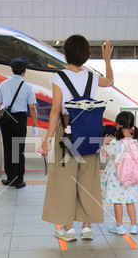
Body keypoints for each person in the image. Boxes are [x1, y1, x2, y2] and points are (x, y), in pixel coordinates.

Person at [39, 35, 113, 241]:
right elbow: (110, 81)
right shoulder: (91, 77)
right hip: (90, 130)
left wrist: (48, 138)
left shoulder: (59, 77)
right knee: (88, 179)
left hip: (67, 129)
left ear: (66, 54)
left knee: (65, 179)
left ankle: (68, 229)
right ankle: (87, 228)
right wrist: (107, 58)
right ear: (87, 56)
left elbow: (55, 110)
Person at [0, 56, 38, 189]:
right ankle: (19, 180)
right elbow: (32, 108)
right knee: (18, 150)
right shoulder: (28, 86)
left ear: (12, 69)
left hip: (6, 119)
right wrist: (35, 125)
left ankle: (10, 178)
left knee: (7, 149)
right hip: (19, 119)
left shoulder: (3, 84)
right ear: (24, 71)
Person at [101, 111, 138, 235]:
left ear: (117, 125)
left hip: (116, 176)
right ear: (132, 126)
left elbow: (105, 154)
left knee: (117, 201)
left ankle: (119, 226)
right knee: (130, 200)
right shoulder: (135, 142)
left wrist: (104, 142)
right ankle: (134, 225)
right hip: (130, 175)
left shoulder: (116, 141)